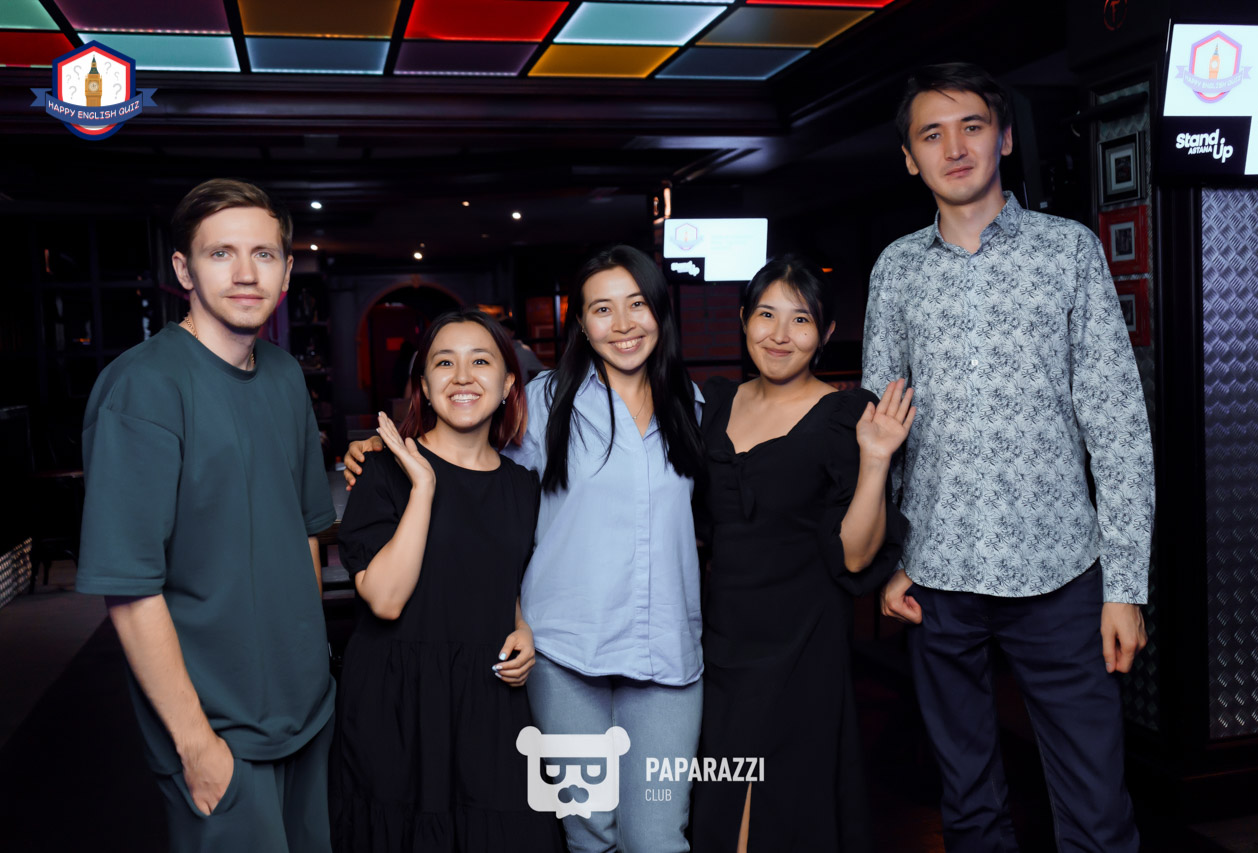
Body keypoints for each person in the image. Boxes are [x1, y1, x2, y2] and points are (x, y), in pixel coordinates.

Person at [865, 63, 1154, 853]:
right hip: (938, 580)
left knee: (1097, 811)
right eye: (931, 134)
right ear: (909, 158)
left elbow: (1119, 426)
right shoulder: (896, 269)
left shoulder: (1069, 251)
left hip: (1061, 575)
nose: (954, 147)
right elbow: (880, 432)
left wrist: (1125, 586)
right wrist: (894, 557)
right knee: (969, 808)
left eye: (971, 126)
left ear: (1004, 138)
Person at [344, 245, 705, 853]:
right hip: (565, 653)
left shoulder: (692, 406)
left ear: (660, 312)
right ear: (580, 323)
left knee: (658, 837)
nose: (622, 324)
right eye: (602, 309)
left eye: (637, 304)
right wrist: (381, 454)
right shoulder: (543, 403)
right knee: (587, 831)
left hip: (665, 652)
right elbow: (468, 466)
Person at [75, 179, 335, 852]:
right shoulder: (144, 387)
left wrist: (313, 670)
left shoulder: (285, 376)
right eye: (221, 253)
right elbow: (130, 589)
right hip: (219, 731)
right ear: (184, 270)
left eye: (263, 254)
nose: (246, 273)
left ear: (286, 270)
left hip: (308, 711)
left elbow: (306, 534)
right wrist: (195, 744)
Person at [691, 257, 912, 852]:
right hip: (719, 637)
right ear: (744, 320)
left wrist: (875, 460)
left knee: (779, 804)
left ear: (826, 334)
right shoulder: (715, 405)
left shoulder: (844, 417)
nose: (780, 335)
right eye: (766, 315)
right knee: (718, 797)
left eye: (801, 320)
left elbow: (857, 558)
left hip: (803, 637)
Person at [329, 310, 561, 852]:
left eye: (480, 362)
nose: (462, 377)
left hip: (488, 697)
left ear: (508, 384)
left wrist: (523, 628)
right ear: (425, 388)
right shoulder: (382, 472)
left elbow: (505, 580)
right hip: (398, 700)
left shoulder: (523, 486)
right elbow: (385, 600)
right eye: (444, 363)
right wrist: (424, 487)